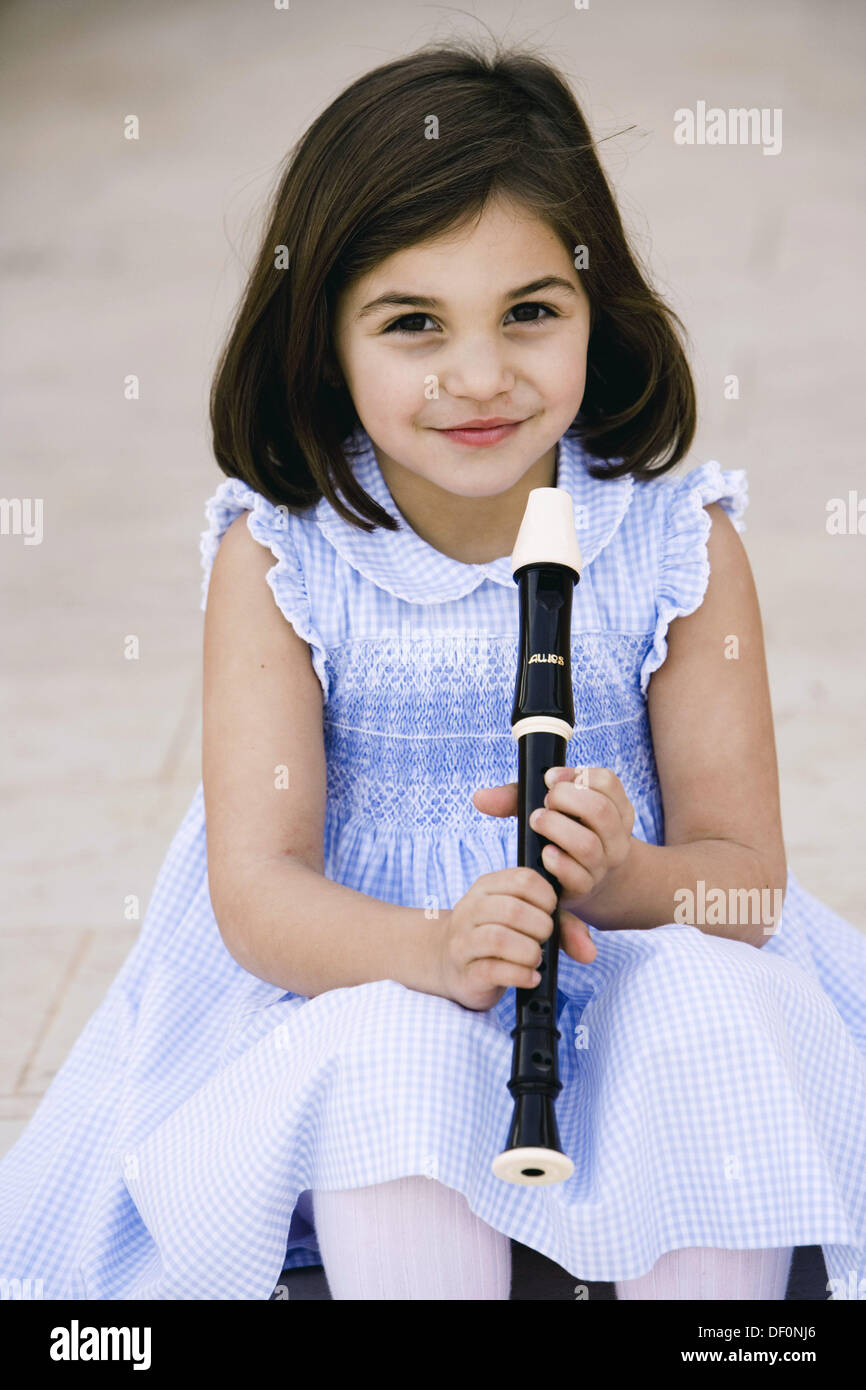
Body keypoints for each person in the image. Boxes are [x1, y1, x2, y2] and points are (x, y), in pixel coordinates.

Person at [1, 39, 864, 1303]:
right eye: (413, 324)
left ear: (593, 310)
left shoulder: (675, 538)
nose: (479, 375)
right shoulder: (282, 552)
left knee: (713, 1009)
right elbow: (257, 894)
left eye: (529, 311)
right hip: (359, 972)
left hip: (606, 978)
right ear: (324, 340)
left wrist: (626, 878)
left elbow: (744, 889)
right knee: (390, 1055)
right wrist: (434, 947)